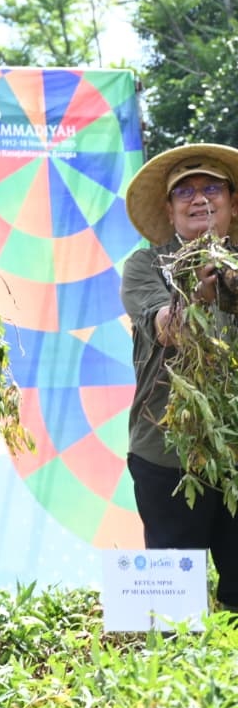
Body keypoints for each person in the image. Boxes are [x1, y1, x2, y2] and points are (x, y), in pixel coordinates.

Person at [120, 143, 238, 614]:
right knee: (174, 610)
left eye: (212, 188)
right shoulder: (145, 266)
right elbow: (168, 328)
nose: (199, 199)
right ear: (169, 211)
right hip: (165, 453)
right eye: (184, 192)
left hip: (235, 454)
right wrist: (199, 294)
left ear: (232, 203)